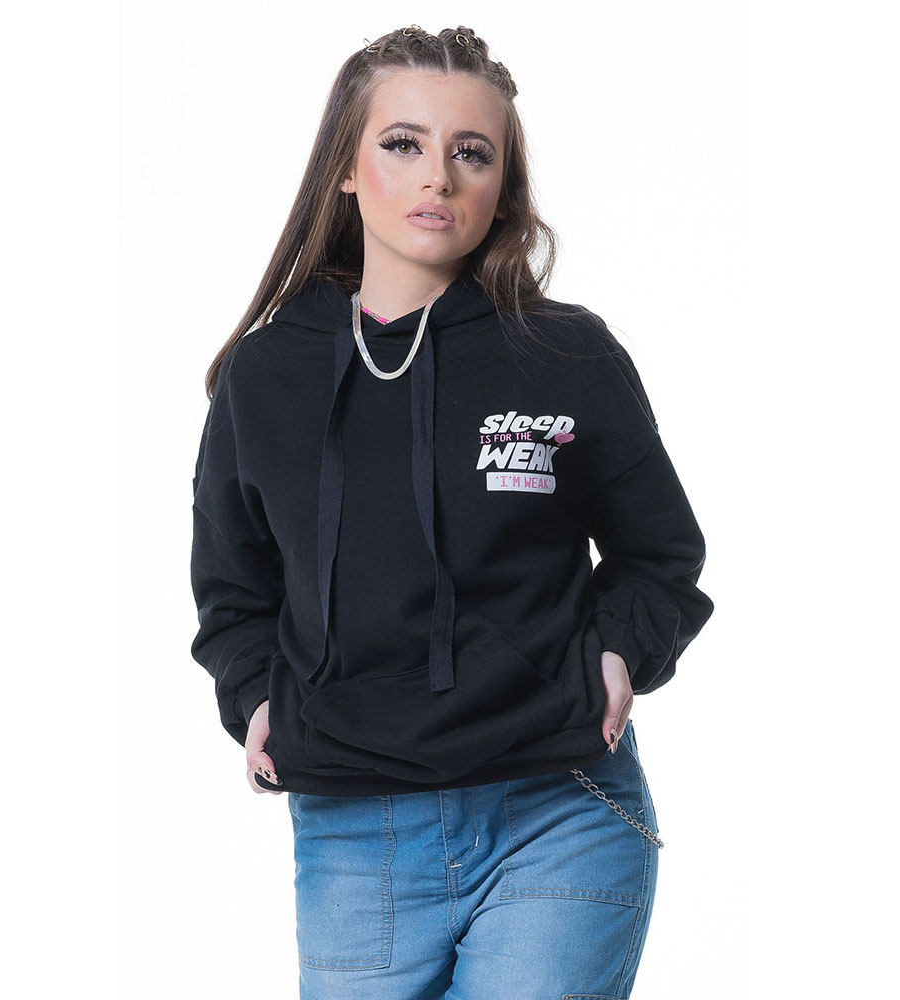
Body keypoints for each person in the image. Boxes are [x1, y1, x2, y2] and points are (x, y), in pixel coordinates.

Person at [189, 23, 714, 999]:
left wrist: (618, 653)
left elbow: (660, 554)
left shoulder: (567, 354)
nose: (438, 175)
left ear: (501, 188)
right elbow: (232, 590)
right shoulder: (266, 375)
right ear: (345, 169)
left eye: (472, 152)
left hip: (558, 805)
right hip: (354, 831)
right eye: (404, 143)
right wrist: (257, 697)